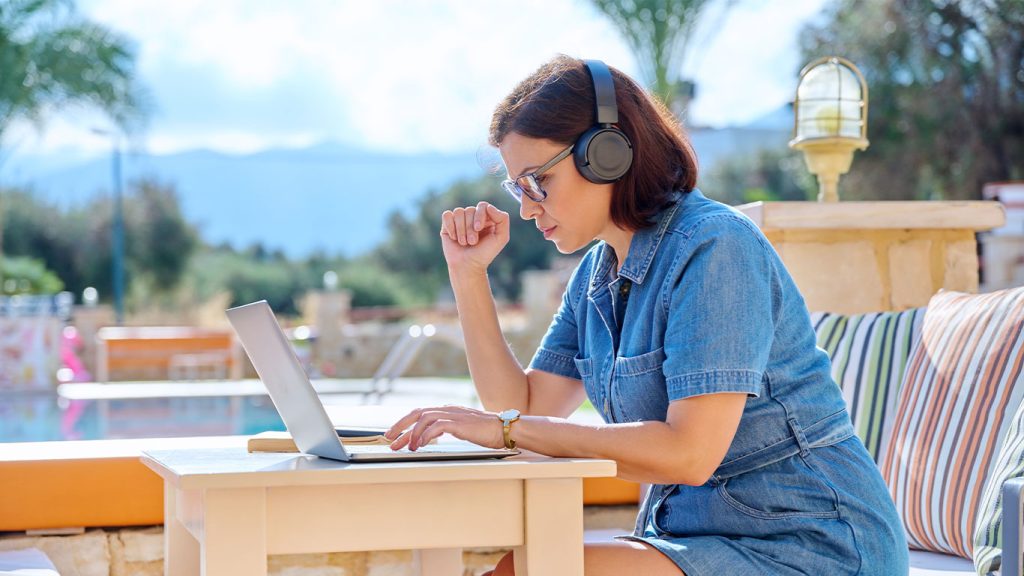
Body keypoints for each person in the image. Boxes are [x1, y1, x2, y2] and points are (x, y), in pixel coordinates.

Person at [384, 55, 909, 576]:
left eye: (537, 181)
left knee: (526, 571)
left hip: (814, 545)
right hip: (693, 540)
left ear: (605, 155)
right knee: (522, 567)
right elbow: (518, 406)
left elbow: (689, 453)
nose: (526, 208)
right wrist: (468, 274)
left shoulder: (716, 247)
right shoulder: (595, 274)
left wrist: (506, 429)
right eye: (516, 188)